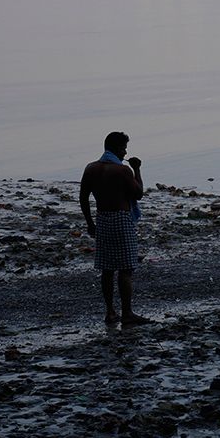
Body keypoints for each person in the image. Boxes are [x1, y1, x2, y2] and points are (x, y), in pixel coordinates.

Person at [80, 131, 150, 326]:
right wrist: (136, 169)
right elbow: (138, 194)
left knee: (107, 269)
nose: (125, 153)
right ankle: (127, 312)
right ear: (118, 148)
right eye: (124, 149)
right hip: (121, 219)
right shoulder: (122, 171)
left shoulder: (91, 168)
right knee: (126, 268)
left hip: (102, 218)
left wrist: (89, 222)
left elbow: (83, 197)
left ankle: (110, 312)